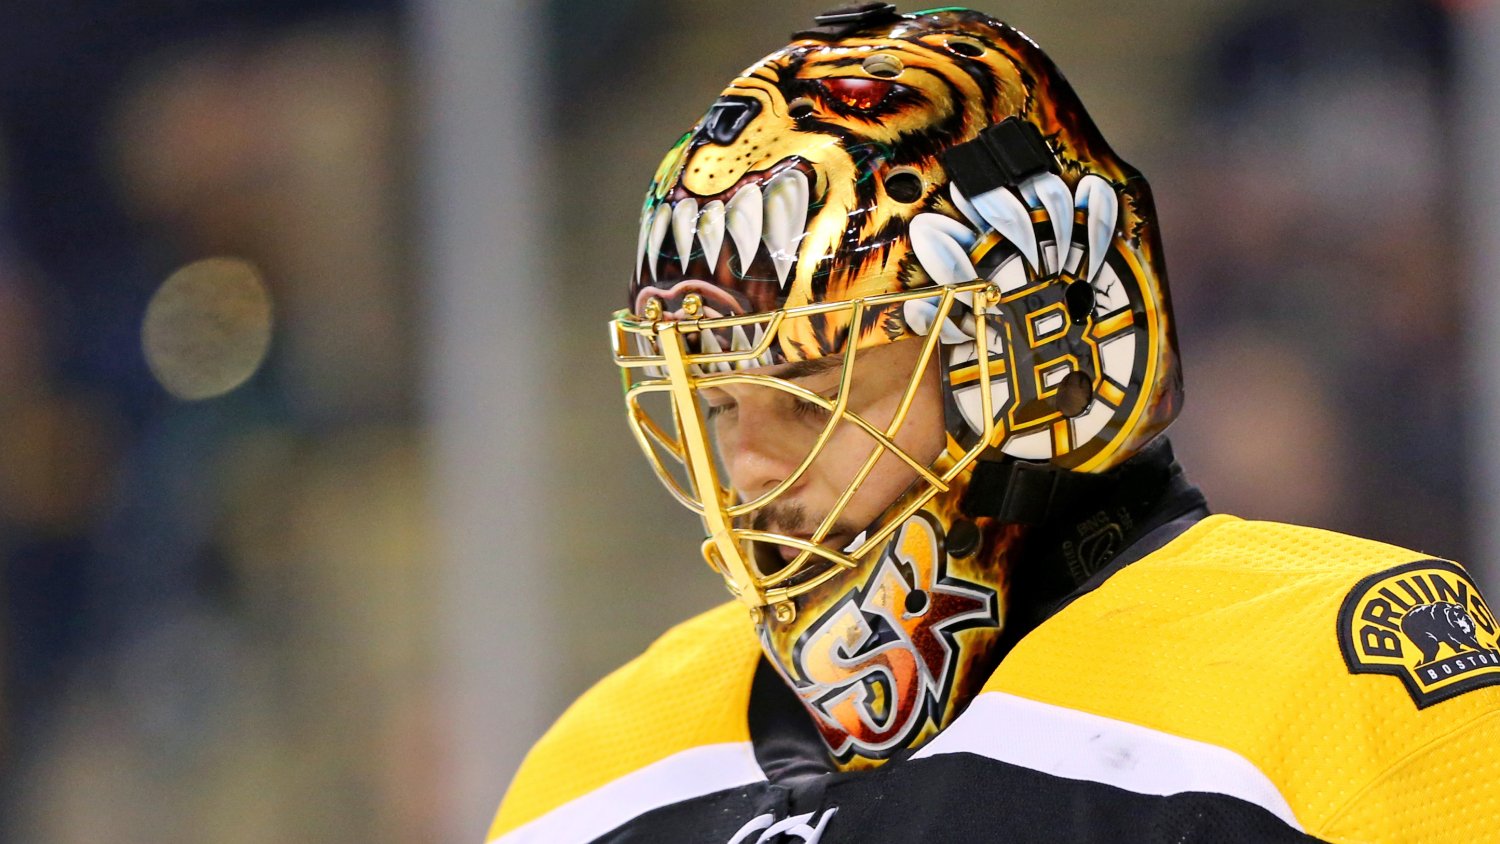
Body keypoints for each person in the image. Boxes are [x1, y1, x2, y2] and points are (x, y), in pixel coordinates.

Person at [487, 6, 1500, 842]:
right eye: (717, 403)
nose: (747, 467)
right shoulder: (598, 770)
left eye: (807, 395)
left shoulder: (1332, 676)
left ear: (1038, 356)